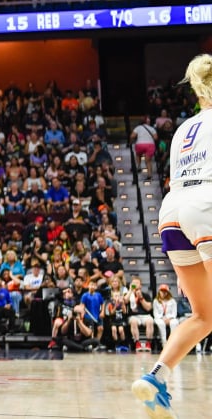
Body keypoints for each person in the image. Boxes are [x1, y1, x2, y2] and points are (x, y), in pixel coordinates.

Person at [134, 53, 212, 418]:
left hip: (173, 209)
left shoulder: (185, 126)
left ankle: (155, 377)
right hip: (206, 203)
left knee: (204, 315)